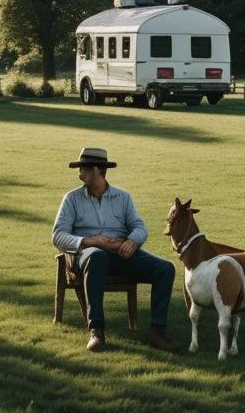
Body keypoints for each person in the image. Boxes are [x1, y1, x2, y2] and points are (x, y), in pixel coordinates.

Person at [52, 146, 180, 352]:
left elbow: (140, 227)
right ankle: (97, 331)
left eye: (84, 168)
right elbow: (58, 235)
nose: (79, 173)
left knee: (165, 269)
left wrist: (132, 242)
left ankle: (157, 333)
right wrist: (93, 240)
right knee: (97, 256)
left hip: (121, 255)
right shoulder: (72, 199)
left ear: (98, 170)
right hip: (87, 256)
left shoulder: (122, 198)